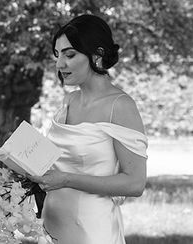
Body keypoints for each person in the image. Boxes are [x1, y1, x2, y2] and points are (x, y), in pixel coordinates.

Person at [32, 14, 147, 244]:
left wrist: (66, 180)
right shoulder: (68, 101)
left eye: (70, 54)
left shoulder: (120, 106)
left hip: (92, 231)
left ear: (97, 54)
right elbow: (53, 166)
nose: (59, 64)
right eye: (58, 55)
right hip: (52, 226)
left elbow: (135, 183)